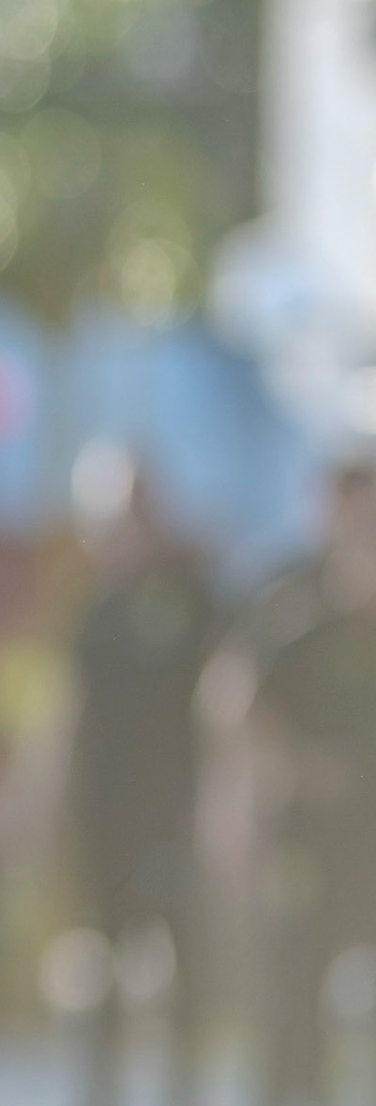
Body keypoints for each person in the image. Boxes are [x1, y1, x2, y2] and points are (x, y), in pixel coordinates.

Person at [65, 442, 215, 1106]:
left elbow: (218, 705)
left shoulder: (193, 600)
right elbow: (73, 717)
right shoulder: (95, 614)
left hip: (176, 809)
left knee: (182, 967)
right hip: (107, 815)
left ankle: (181, 1089)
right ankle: (102, 1090)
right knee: (106, 962)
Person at [249, 462, 376, 1106]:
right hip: (308, 832)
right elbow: (242, 704)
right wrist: (301, 767)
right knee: (298, 983)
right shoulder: (295, 602)